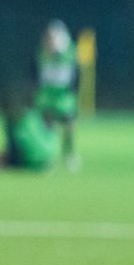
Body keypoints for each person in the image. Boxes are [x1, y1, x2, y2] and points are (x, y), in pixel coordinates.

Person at [35, 20, 79, 170]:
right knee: (48, 129)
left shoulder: (69, 51)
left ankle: (69, 154)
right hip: (47, 96)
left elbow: (73, 71)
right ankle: (48, 156)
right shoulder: (42, 51)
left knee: (69, 126)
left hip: (64, 96)